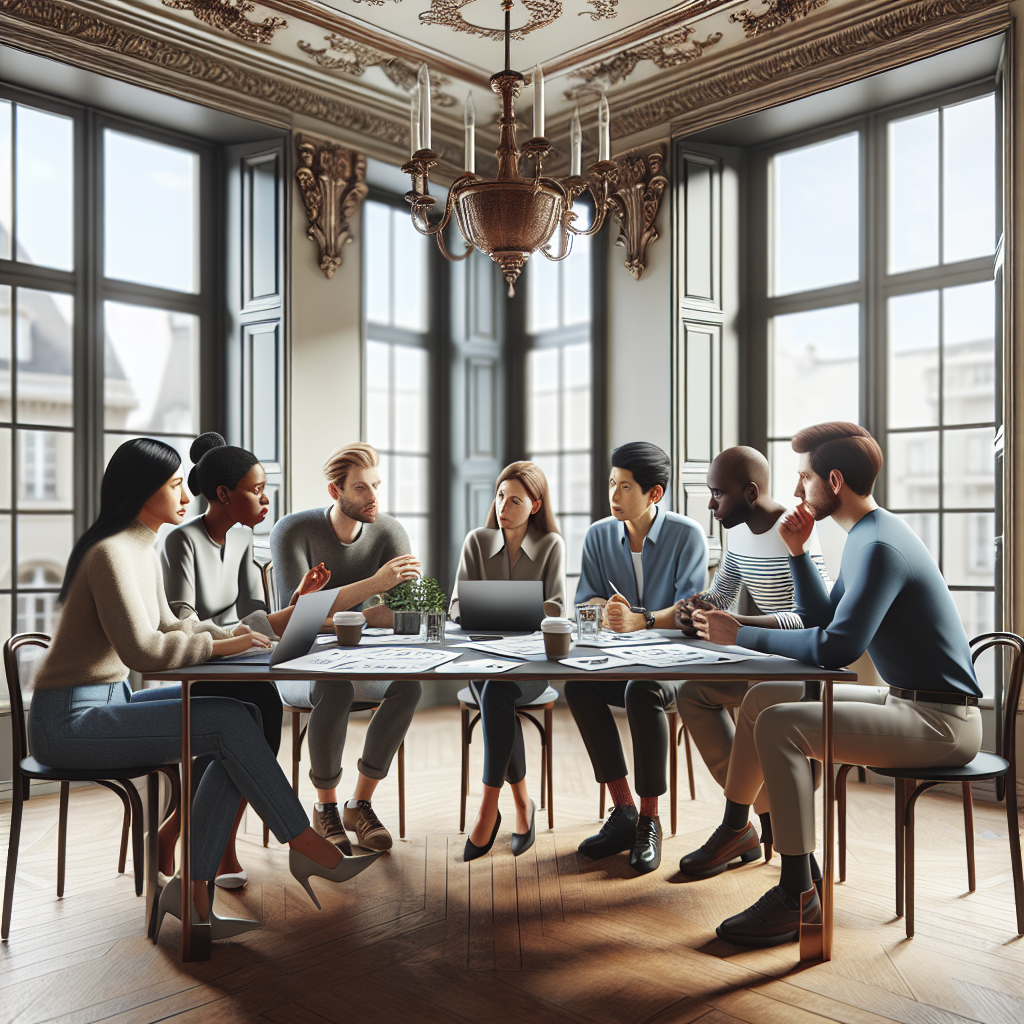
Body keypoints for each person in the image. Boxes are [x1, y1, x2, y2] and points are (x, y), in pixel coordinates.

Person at [28, 438, 379, 932]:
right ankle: (304, 844)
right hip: (69, 722)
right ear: (142, 491)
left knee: (249, 717)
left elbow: (172, 627)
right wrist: (219, 648)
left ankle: (194, 888)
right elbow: (142, 652)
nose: (186, 495)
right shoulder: (110, 554)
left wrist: (231, 633)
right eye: (174, 486)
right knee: (231, 720)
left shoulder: (139, 546)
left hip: (110, 702)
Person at [691, 423, 981, 948]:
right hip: (908, 702)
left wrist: (744, 634)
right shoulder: (868, 534)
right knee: (761, 701)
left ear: (835, 480)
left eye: (804, 478)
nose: (797, 491)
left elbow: (835, 649)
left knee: (781, 725)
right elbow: (821, 618)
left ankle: (797, 893)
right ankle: (738, 826)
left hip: (942, 723)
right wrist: (799, 552)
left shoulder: (878, 546)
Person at [157, 432, 329, 889]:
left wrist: (298, 599)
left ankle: (184, 832)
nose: (265, 498)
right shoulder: (181, 542)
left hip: (240, 662)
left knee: (263, 722)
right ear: (223, 495)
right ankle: (213, 844)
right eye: (256, 490)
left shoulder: (241, 541)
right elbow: (184, 624)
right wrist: (247, 629)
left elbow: (255, 617)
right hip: (200, 666)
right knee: (240, 732)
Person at [672, 446, 830, 871]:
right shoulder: (737, 532)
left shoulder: (796, 531)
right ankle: (761, 813)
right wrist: (699, 607)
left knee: (756, 709)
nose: (710, 504)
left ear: (750, 492)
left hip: (797, 670)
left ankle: (743, 823)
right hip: (756, 663)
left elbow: (812, 620)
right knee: (691, 694)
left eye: (717, 494)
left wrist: (738, 625)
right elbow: (721, 593)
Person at [271, 442, 422, 853]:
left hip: (364, 659)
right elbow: (295, 619)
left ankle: (360, 804)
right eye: (361, 488)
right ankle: (327, 809)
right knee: (334, 685)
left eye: (376, 485)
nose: (374, 497)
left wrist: (362, 613)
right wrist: (374, 590)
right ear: (334, 492)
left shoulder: (389, 532)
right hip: (298, 663)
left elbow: (406, 615)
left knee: (408, 686)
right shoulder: (292, 531)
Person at [565, 441, 708, 875]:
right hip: (615, 661)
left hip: (675, 667)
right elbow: (582, 602)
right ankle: (624, 810)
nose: (614, 495)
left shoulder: (688, 535)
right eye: (612, 483)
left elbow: (691, 612)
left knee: (642, 691)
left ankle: (650, 819)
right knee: (578, 686)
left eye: (625, 486)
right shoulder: (598, 535)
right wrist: (600, 610)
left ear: (655, 494)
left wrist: (640, 620)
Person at [450, 462, 566, 861]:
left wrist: (510, 609)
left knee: (496, 692)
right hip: (482, 662)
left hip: (532, 670)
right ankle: (521, 805)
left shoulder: (551, 544)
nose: (504, 506)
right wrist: (511, 609)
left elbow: (557, 610)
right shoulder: (476, 542)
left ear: (535, 505)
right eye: (500, 496)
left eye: (515, 499)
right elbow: (455, 607)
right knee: (492, 688)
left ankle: (486, 810)